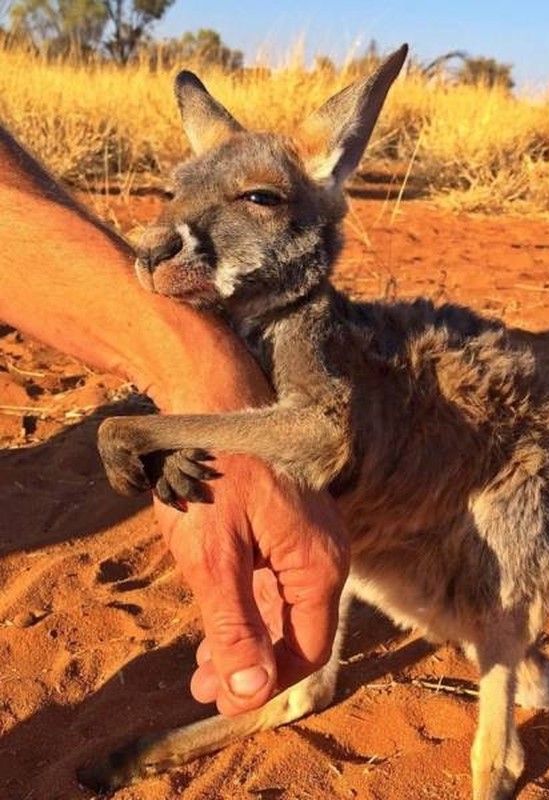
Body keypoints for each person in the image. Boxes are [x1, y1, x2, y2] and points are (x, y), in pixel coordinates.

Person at [0, 124, 348, 717]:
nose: (152, 236)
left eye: (258, 199)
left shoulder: (306, 324)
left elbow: (323, 431)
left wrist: (167, 426)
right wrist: (180, 404)